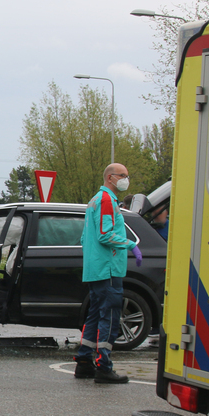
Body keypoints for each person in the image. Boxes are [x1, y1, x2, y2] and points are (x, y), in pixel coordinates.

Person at [73, 163, 142, 384]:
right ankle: (104, 366)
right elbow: (105, 235)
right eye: (123, 176)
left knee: (95, 314)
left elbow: (86, 238)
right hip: (108, 268)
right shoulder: (104, 201)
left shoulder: (95, 200)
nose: (126, 179)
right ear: (111, 178)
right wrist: (130, 245)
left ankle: (84, 361)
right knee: (110, 316)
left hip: (97, 268)